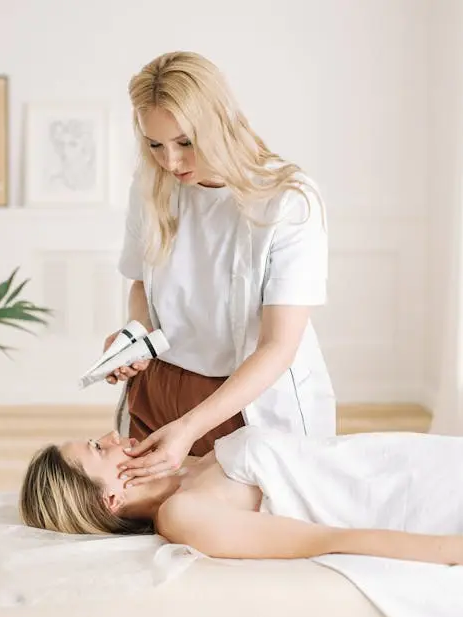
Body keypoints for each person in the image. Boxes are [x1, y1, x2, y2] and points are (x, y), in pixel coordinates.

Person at [19, 425, 463, 617]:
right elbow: (331, 541)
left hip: (435, 464)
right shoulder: (186, 515)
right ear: (110, 500)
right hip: (439, 506)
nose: (112, 436)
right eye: (98, 450)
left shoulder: (185, 469)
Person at [104, 50, 335, 490]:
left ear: (220, 121)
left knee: (244, 533)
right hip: (160, 388)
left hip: (244, 403)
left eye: (185, 142)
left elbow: (277, 348)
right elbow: (141, 283)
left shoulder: (289, 199)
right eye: (155, 145)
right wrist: (134, 339)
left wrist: (190, 428)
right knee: (142, 531)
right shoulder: (152, 186)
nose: (170, 162)